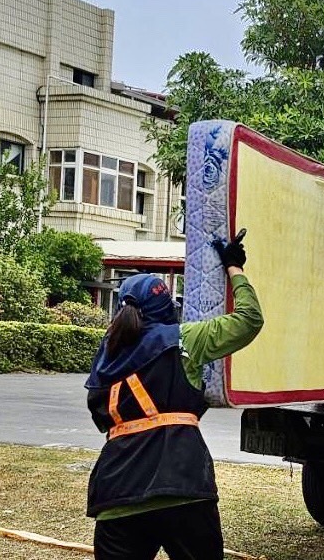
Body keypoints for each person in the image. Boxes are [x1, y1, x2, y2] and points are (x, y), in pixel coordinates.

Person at [84, 230, 263, 560]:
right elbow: (250, 320)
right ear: (166, 305)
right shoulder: (185, 339)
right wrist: (234, 268)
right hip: (183, 486)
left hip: (117, 494)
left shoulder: (106, 353)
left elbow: (100, 414)